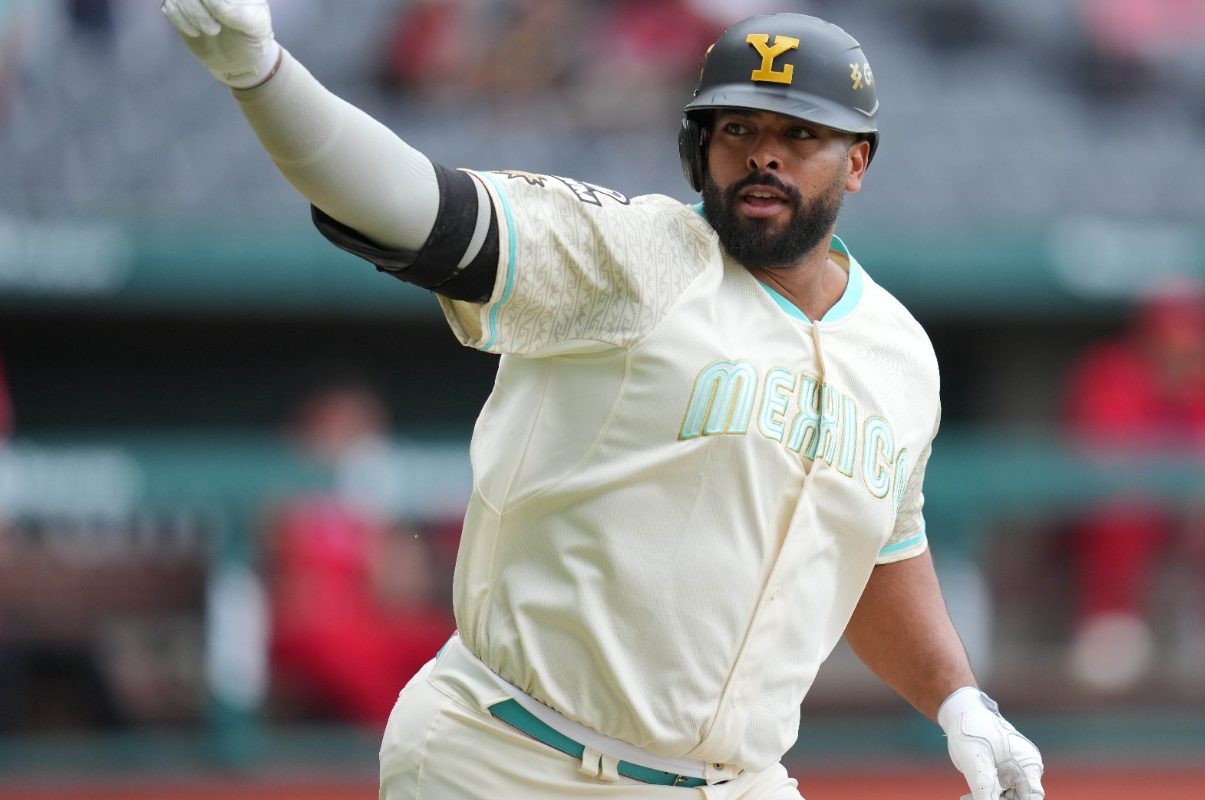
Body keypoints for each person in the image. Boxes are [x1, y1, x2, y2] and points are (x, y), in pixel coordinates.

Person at [160, 2, 1045, 798]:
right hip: (510, 762)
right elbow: (417, 209)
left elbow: (879, 550)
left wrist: (957, 699)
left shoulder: (899, 354)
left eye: (799, 132)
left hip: (737, 784)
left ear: (856, 162)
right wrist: (263, 74)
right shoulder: (633, 256)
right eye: (737, 127)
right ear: (700, 147)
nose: (764, 152)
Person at [1057, 279, 1205, 695]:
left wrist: (1203, 497)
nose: (1189, 348)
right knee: (1121, 511)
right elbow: (1105, 466)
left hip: (1183, 515)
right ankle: (1112, 626)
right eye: (1177, 334)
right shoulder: (1111, 372)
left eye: (1199, 336)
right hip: (1105, 517)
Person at [267, 379, 457, 729]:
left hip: (376, 622)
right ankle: (393, 742)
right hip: (314, 631)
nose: (353, 440)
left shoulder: (383, 494)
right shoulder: (284, 492)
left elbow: (404, 587)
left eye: (363, 428)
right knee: (338, 644)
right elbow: (290, 590)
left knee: (451, 646)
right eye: (339, 426)